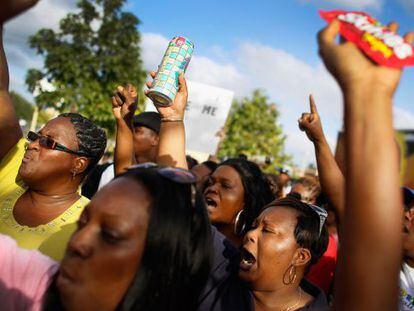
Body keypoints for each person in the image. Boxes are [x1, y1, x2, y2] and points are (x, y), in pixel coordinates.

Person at [144, 71, 330, 310]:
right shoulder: (223, 266)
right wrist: (172, 121)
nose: (251, 235)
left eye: (268, 231)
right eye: (255, 226)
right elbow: (179, 204)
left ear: (300, 256)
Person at [0, 166, 212, 311]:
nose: (77, 243)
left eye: (110, 235)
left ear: (164, 266)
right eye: (82, 223)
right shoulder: (40, 284)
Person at [317, 19, 414, 310]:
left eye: (411, 210)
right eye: (404, 209)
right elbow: (343, 197)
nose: (405, 216)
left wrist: (368, 93)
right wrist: (366, 90)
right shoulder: (381, 265)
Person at [0, 2, 107, 261]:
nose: (32, 144)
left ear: (78, 164)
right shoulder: (13, 171)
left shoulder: (86, 227)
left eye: (48, 142)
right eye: (35, 136)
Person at [82, 111, 161, 198]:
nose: (130, 135)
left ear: (156, 139)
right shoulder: (100, 172)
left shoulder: (163, 180)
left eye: (137, 131)